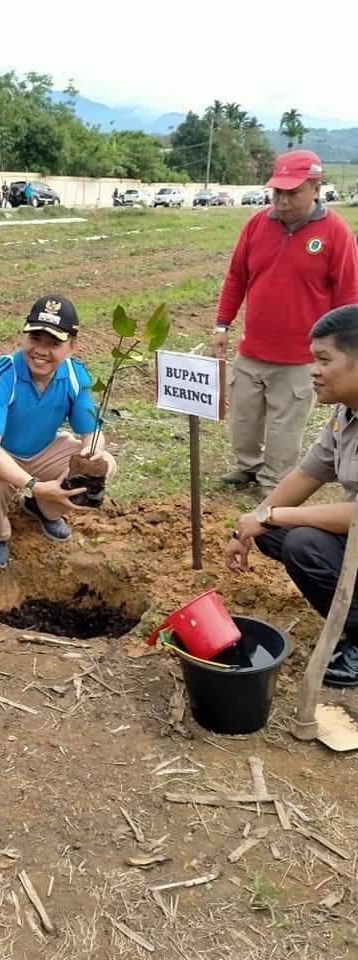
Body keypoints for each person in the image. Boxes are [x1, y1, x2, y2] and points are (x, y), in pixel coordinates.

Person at [227, 305, 358, 688]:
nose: (313, 370)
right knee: (273, 529)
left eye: (323, 360)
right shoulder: (344, 415)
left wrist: (273, 517)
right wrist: (248, 527)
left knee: (302, 541)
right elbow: (307, 473)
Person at [212, 149, 358, 493]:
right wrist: (222, 324)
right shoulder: (257, 225)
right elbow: (236, 277)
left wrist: (338, 354)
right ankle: (248, 467)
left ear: (315, 188)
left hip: (299, 356)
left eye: (293, 192)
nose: (283, 200)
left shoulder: (335, 233)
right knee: (244, 418)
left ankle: (273, 481)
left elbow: (349, 297)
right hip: (253, 348)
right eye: (278, 192)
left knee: (285, 425)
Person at [0, 295, 115, 569]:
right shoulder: (2, 373)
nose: (41, 351)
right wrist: (35, 486)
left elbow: (91, 433)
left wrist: (92, 453)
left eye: (54, 343)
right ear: (23, 336)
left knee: (105, 465)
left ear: (72, 346)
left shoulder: (75, 375)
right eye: (35, 339)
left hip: (41, 449)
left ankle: (44, 508)